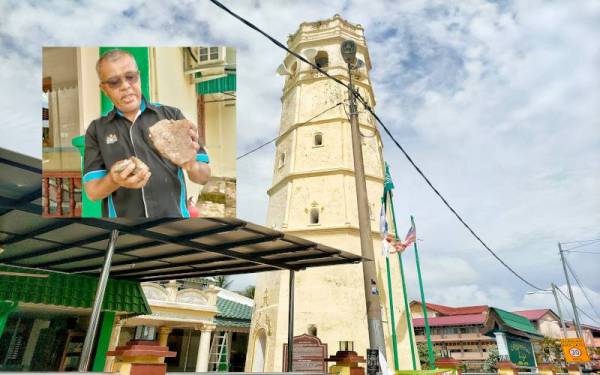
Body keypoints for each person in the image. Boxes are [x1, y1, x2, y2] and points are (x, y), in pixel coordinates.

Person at [83, 49, 210, 218]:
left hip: (175, 221)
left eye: (130, 77)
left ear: (139, 77)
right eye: (114, 82)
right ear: (104, 89)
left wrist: (191, 163)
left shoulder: (172, 117)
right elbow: (92, 192)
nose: (125, 86)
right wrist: (114, 180)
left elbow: (204, 178)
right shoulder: (97, 129)